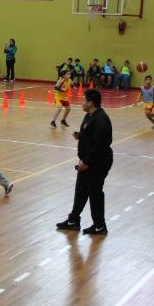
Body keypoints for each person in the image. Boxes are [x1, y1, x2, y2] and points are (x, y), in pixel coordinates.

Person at [56, 89, 113, 235]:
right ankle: (73, 220)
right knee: (81, 190)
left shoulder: (101, 120)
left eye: (83, 100)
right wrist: (81, 136)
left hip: (97, 162)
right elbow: (91, 136)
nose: (81, 102)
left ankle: (100, 226)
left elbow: (101, 145)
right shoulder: (89, 115)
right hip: (88, 160)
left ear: (91, 103)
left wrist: (86, 162)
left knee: (95, 193)